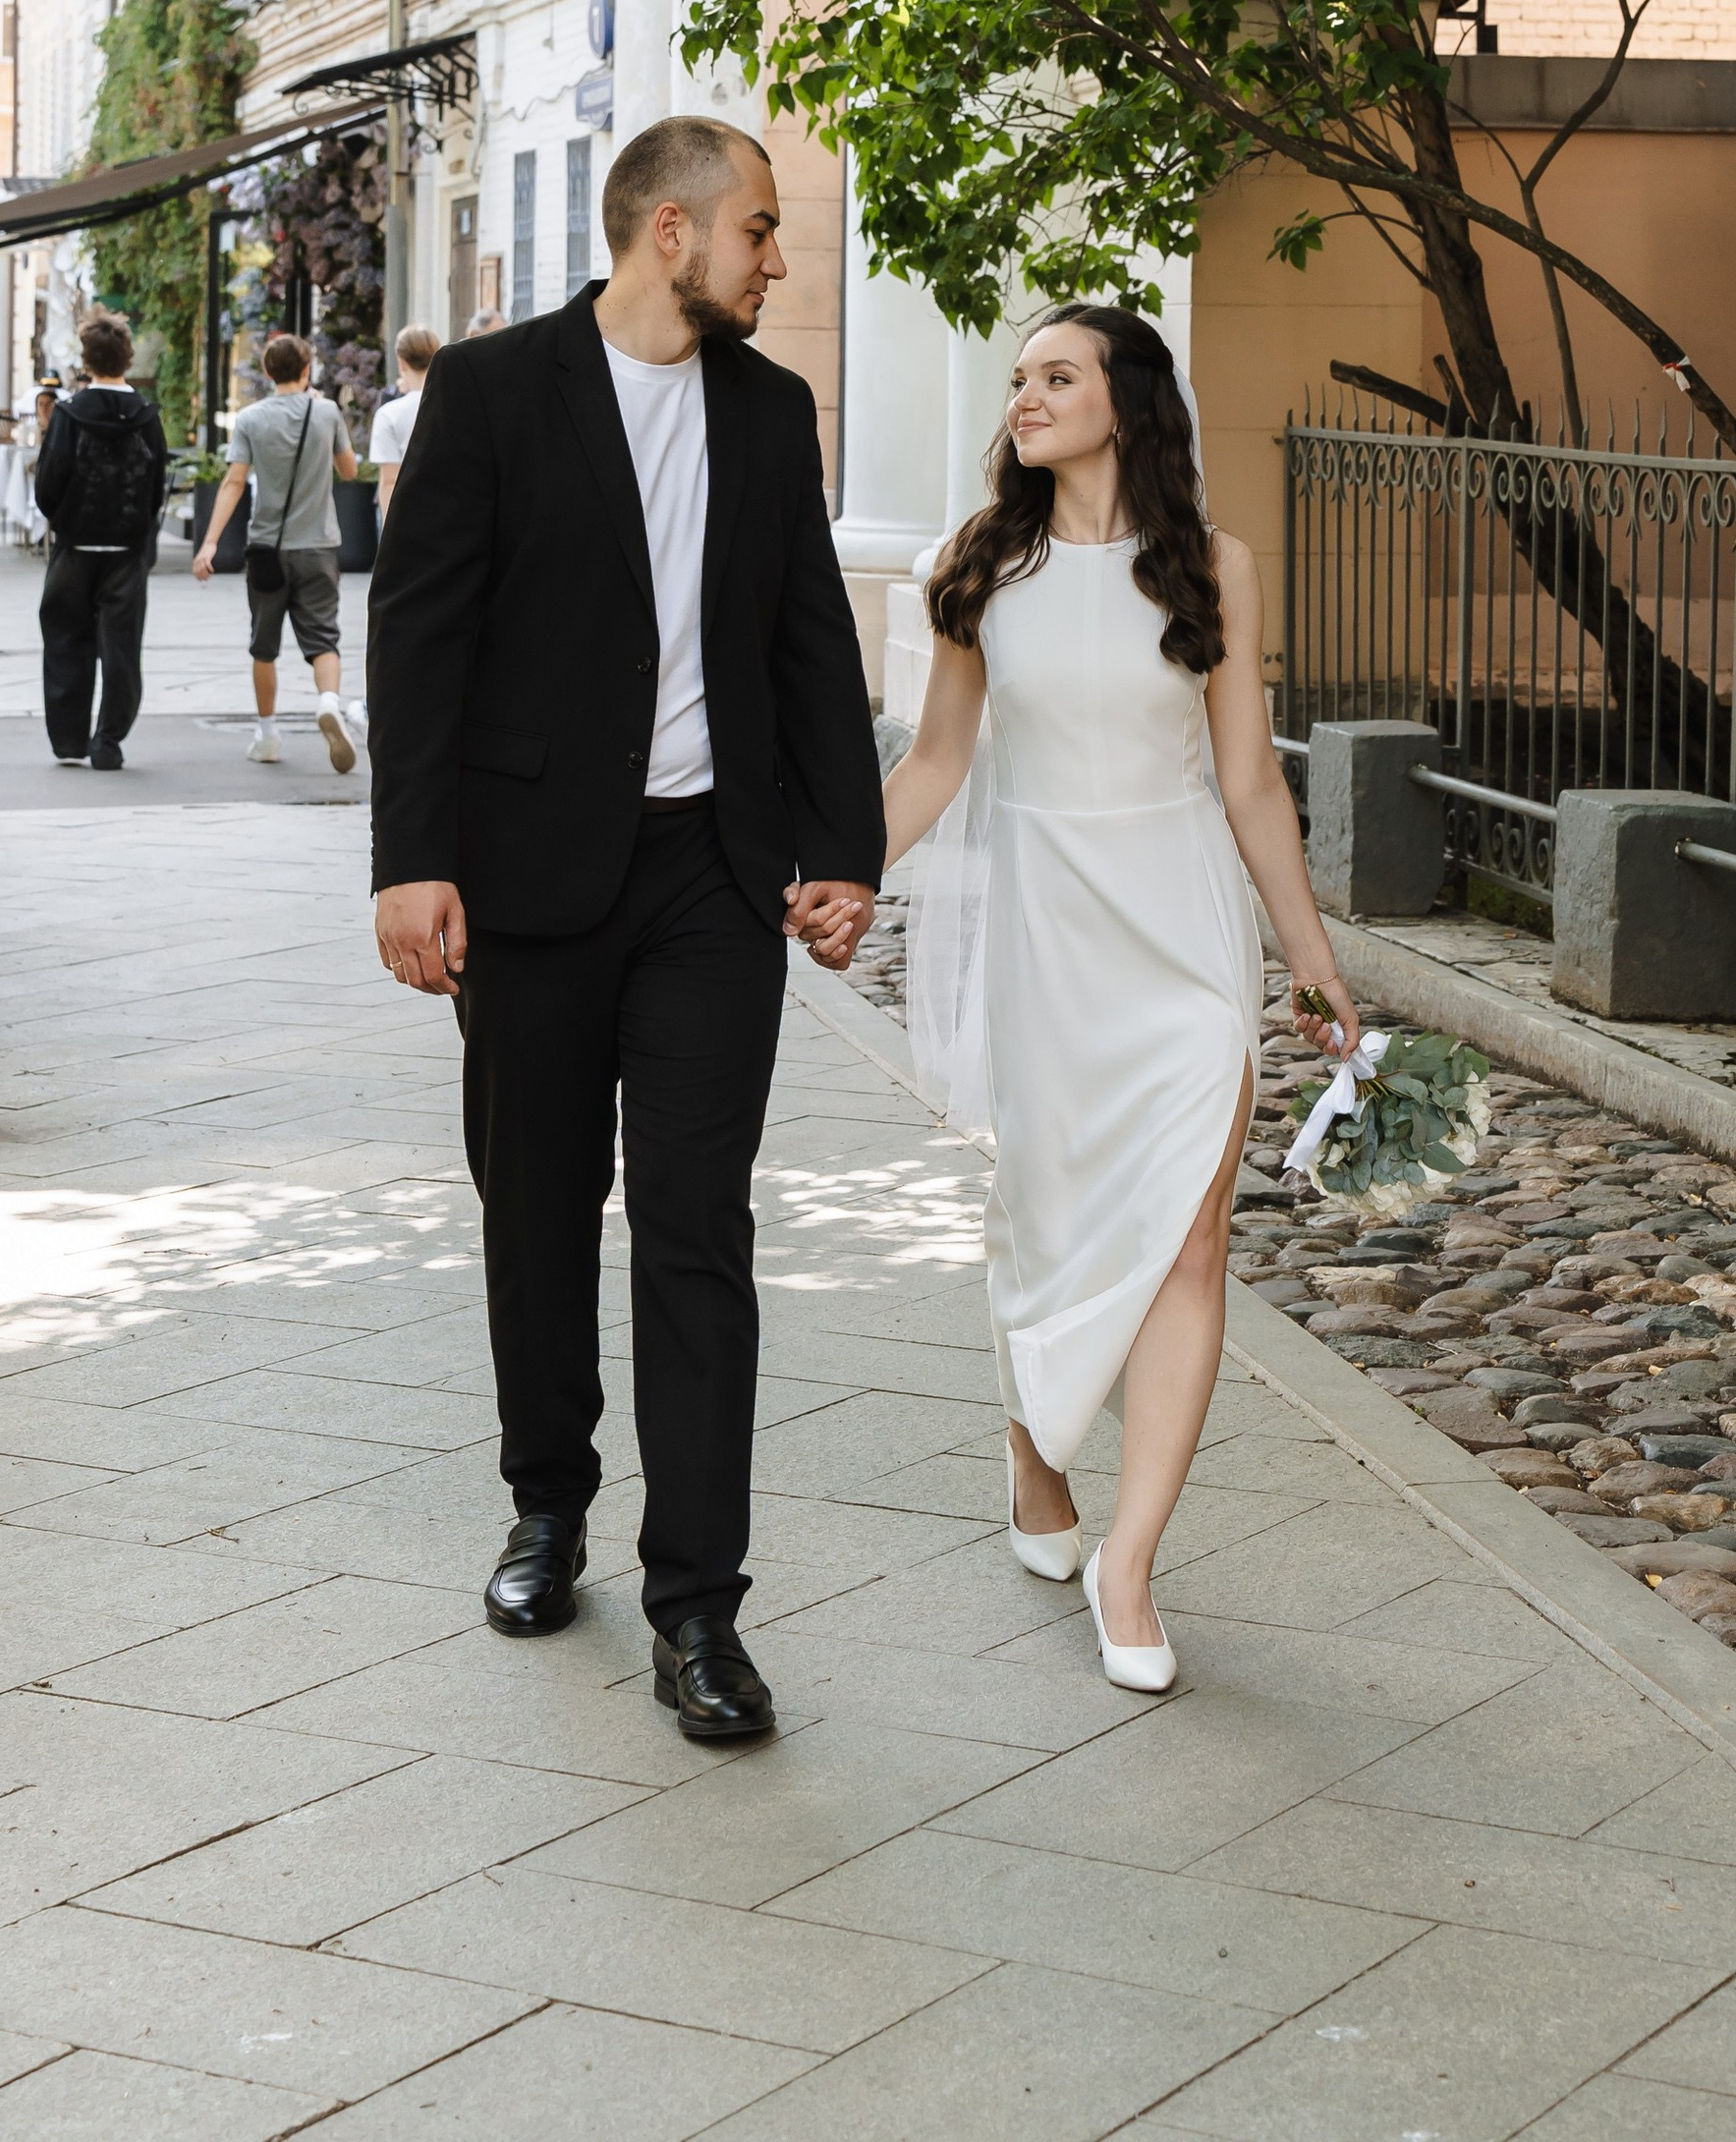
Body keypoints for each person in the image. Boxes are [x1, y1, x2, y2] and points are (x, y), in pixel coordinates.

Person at [364, 114, 881, 1744]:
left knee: (696, 1227)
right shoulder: (497, 391)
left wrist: (841, 852)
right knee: (534, 1201)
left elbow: (808, 638)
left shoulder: (771, 409)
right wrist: (411, 859)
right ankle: (547, 1500)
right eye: (762, 233)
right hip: (527, 879)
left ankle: (699, 1609)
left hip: (711, 885)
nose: (777, 261)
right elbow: (421, 633)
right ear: (672, 232)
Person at [881, 303, 1361, 1696]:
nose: (1025, 396)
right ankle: (1035, 1449)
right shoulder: (979, 568)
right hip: (1048, 934)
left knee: (1191, 1244)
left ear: (1125, 403)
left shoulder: (1214, 567)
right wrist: (832, 874)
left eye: (1057, 375)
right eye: (1020, 377)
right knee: (1045, 1209)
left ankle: (1133, 1560)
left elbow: (1252, 779)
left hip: (1188, 934)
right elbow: (935, 763)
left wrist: (1314, 959)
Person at [194, 334, 360, 771]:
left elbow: (232, 482)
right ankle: (328, 702)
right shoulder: (326, 412)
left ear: (267, 373)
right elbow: (349, 471)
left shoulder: (250, 419)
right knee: (323, 638)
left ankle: (267, 734)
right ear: (307, 370)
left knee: (263, 646)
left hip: (266, 549)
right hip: (318, 546)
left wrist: (210, 542)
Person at [33, 310, 169, 769]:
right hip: (126, 550)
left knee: (65, 640)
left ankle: (69, 739)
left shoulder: (69, 415)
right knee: (122, 648)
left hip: (76, 547)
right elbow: (157, 486)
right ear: (127, 357)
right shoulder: (147, 418)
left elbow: (49, 483)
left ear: (86, 360)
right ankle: (108, 741)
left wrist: (67, 520)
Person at [369, 327, 438, 518]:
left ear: (401, 363)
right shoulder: (457, 405)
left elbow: (390, 481)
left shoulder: (389, 414)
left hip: (408, 515)